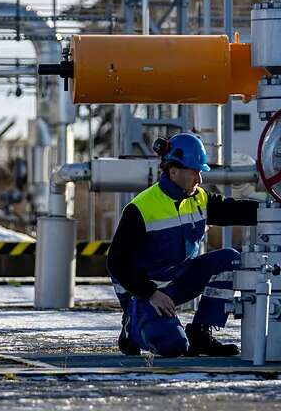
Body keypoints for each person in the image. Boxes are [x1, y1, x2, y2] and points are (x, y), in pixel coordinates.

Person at [106, 132, 258, 358]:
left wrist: (278, 209)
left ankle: (200, 333)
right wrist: (150, 293)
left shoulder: (198, 198)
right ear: (173, 171)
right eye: (195, 171)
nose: (200, 179)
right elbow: (116, 263)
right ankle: (132, 325)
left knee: (229, 258)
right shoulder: (141, 208)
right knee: (173, 347)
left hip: (178, 280)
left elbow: (235, 210)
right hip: (143, 291)